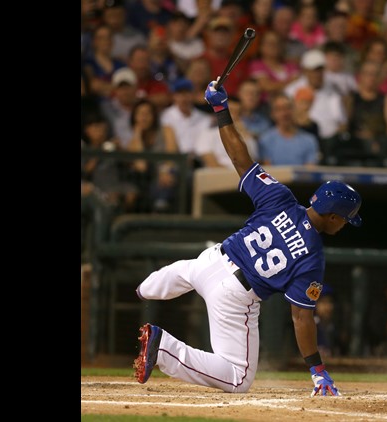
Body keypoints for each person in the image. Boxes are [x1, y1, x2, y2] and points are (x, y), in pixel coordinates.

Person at [133, 76, 363, 396]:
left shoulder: (280, 196)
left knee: (178, 275)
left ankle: (144, 290)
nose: (343, 225)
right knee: (239, 378)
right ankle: (164, 349)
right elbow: (301, 319)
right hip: (234, 295)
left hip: (211, 259)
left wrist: (220, 109)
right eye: (345, 220)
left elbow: (240, 158)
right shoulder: (312, 255)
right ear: (334, 216)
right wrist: (317, 370)